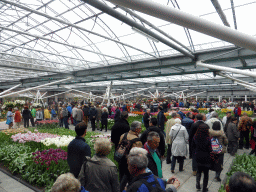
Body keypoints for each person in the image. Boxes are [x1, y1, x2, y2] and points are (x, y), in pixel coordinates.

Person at [118, 121, 143, 190]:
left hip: (121, 160)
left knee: (121, 177)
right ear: (137, 129)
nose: (141, 130)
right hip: (130, 163)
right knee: (130, 180)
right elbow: (138, 155)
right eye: (140, 128)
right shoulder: (137, 141)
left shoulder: (123, 135)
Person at [192, 119, 212, 192]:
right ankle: (204, 188)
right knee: (206, 173)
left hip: (198, 156)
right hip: (206, 157)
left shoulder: (195, 137)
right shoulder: (207, 138)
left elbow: (193, 146)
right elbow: (210, 149)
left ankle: (197, 184)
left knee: (199, 171)